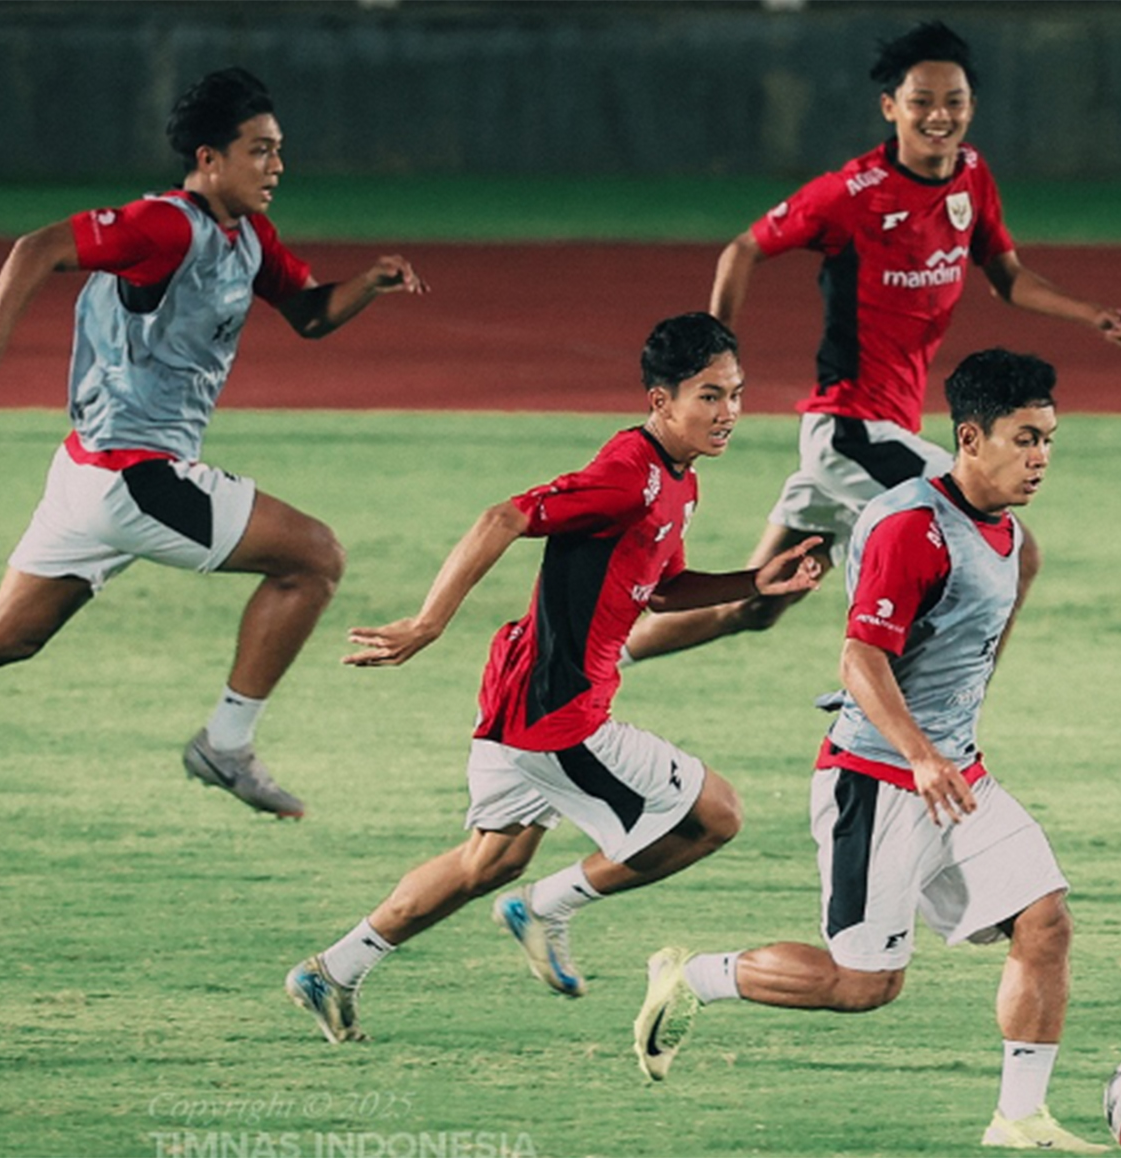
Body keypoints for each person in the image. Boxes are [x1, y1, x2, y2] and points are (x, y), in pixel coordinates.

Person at [0, 67, 426, 818]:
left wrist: (370, 282)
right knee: (314, 557)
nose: (277, 165)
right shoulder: (164, 224)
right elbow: (39, 246)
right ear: (208, 158)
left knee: (3, 634)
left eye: (278, 149)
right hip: (132, 472)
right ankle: (226, 743)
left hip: (91, 473)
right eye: (260, 150)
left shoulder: (246, 236)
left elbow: (309, 314)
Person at [284, 313, 823, 1043]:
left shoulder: (677, 482)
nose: (728, 411)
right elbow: (503, 516)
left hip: (523, 693)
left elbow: (661, 591)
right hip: (557, 712)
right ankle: (549, 906)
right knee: (717, 815)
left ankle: (333, 970)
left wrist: (756, 581)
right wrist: (429, 621)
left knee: (488, 860)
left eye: (735, 393)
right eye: (708, 395)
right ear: (661, 401)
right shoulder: (628, 476)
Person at [632, 349, 1108, 1154]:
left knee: (1046, 921)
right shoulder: (908, 526)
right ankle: (695, 977)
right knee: (864, 985)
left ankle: (1017, 1118)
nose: (1041, 459)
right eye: (1026, 439)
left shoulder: (1008, 532)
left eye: (1049, 441)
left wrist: (946, 749)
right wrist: (921, 753)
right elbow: (860, 657)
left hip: (955, 775)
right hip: (878, 782)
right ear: (970, 436)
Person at [623, 21, 1121, 668]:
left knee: (758, 602)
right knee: (1009, 548)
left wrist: (1094, 313)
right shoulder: (852, 195)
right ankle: (944, 718)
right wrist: (715, 354)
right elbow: (744, 250)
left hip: (879, 437)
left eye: (953, 101)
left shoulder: (972, 178)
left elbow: (1007, 278)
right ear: (890, 107)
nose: (939, 115)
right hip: (849, 431)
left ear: (971, 108)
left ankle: (596, 661)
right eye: (921, 101)